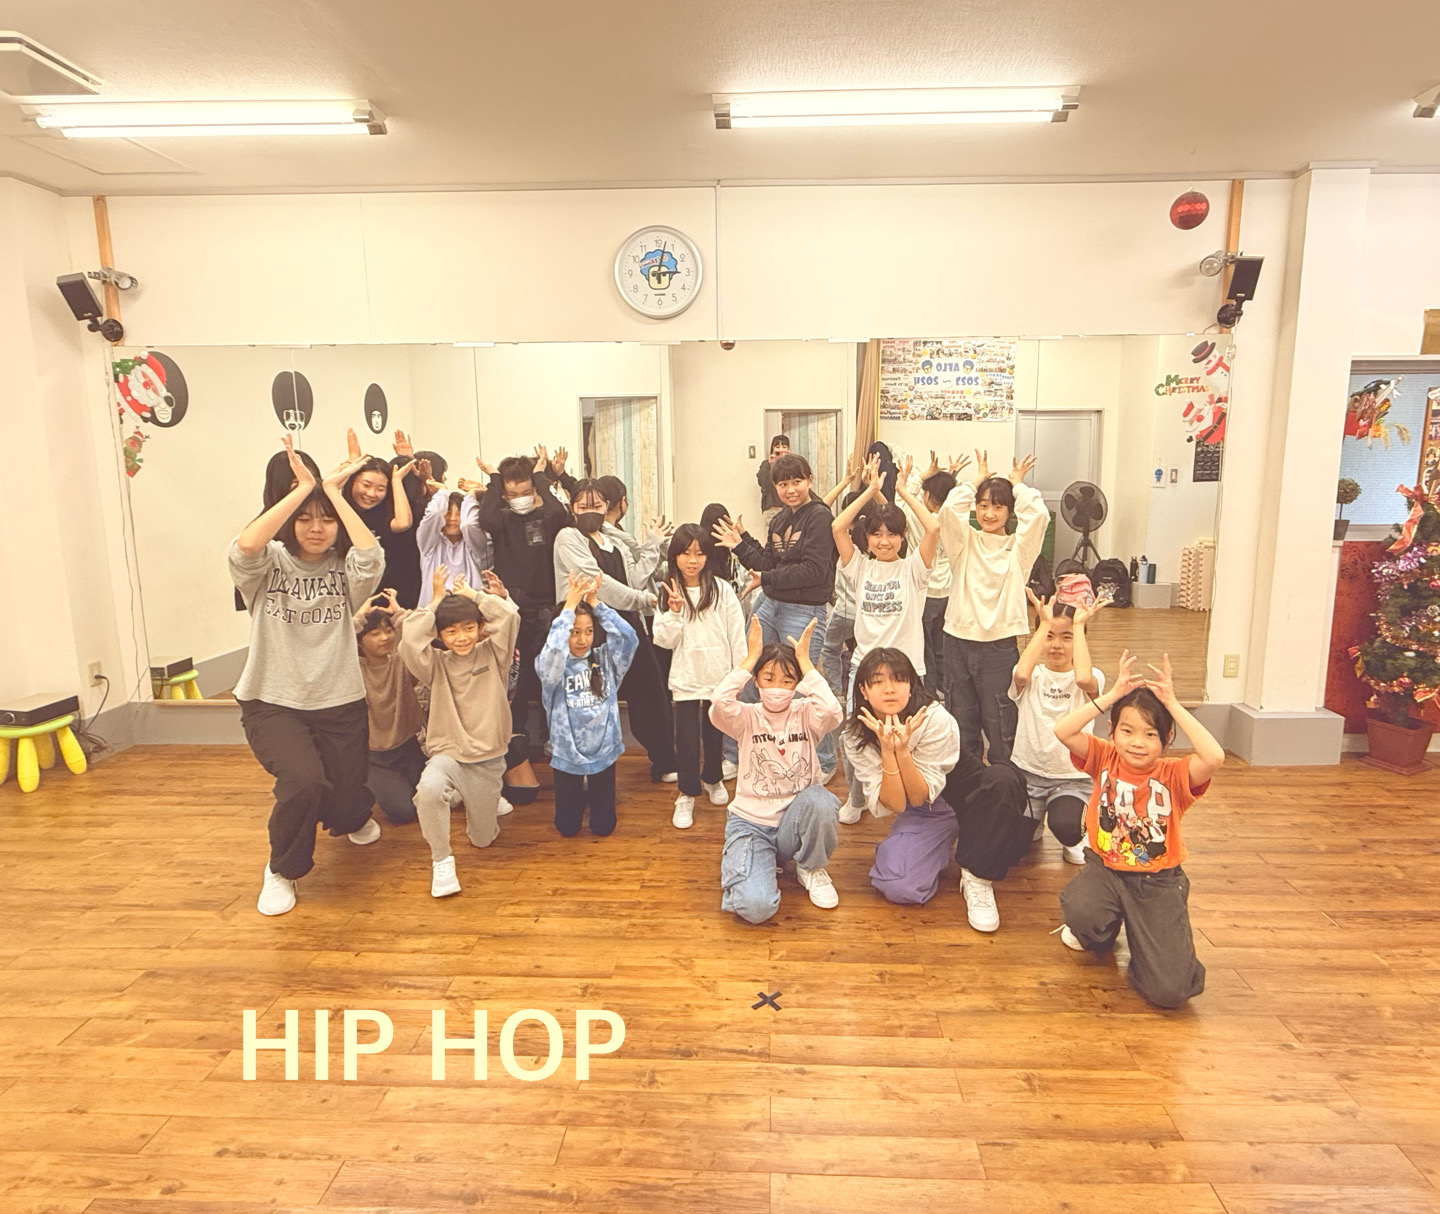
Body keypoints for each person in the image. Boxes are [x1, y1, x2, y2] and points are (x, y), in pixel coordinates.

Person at [229, 438, 384, 917]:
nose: (316, 528)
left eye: (326, 519)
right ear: (289, 519)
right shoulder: (267, 564)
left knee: (347, 801)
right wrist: (305, 489)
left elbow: (371, 554)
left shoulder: (346, 570)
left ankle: (351, 816)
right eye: (305, 519)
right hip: (273, 701)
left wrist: (333, 492)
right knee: (303, 781)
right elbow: (246, 545)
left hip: (339, 700)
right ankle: (282, 869)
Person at [1053, 651, 1224, 1008]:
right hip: (1105, 870)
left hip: (1157, 882)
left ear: (1166, 738)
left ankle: (1147, 949)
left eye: (1150, 734)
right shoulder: (1104, 757)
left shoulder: (1174, 775)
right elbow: (1063, 730)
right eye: (1127, 731)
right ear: (1113, 731)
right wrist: (1111, 697)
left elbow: (1214, 757)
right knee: (1081, 910)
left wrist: (1172, 703)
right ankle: (1102, 934)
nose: (1137, 742)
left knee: (1170, 993)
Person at [713, 451, 839, 777]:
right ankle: (737, 754)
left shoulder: (819, 516)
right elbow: (767, 564)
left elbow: (813, 571)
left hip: (804, 608)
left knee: (802, 683)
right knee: (749, 675)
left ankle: (824, 761)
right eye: (783, 484)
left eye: (796, 481)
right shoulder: (781, 519)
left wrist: (767, 578)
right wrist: (740, 545)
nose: (790, 489)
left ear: (809, 480)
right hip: (770, 604)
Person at [709, 617, 844, 923]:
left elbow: (832, 710)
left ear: (797, 685)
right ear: (756, 681)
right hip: (751, 824)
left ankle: (810, 866)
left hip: (793, 824)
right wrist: (750, 659)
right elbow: (719, 701)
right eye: (769, 678)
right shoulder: (746, 717)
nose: (778, 688)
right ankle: (752, 863)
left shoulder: (807, 713)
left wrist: (806, 664)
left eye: (787, 681)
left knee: (820, 800)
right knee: (756, 909)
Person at [830, 453, 940, 823]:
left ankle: (913, 796)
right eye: (876, 534)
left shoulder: (914, 570)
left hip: (907, 671)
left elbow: (933, 530)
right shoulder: (860, 566)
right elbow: (838, 527)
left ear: (902, 537)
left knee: (912, 737)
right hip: (864, 668)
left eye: (892, 534)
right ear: (867, 538)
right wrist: (870, 490)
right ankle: (857, 797)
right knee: (856, 736)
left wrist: (903, 491)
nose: (884, 540)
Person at [399, 563, 521, 898]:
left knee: (482, 839)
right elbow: (410, 641)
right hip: (449, 752)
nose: (461, 637)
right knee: (428, 790)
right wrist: (435, 601)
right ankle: (441, 859)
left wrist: (473, 595)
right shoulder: (435, 665)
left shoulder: (494, 654)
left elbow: (508, 618)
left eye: (469, 628)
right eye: (451, 632)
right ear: (440, 636)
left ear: (481, 628)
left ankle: (472, 798)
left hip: (488, 757)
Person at [553, 478, 678, 782]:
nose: (590, 511)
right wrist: (643, 599)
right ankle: (584, 766)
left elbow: (635, 578)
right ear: (573, 508)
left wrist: (653, 543)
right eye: (583, 506)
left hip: (627, 627)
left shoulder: (615, 541)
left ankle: (664, 761)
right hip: (588, 628)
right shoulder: (567, 538)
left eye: (596, 505)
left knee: (650, 691)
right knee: (590, 698)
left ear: (606, 506)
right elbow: (598, 583)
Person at [938, 450, 1048, 762]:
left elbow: (1039, 516)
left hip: (998, 647)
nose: (989, 513)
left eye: (998, 506)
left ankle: (1005, 783)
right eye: (983, 506)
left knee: (1002, 726)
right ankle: (968, 785)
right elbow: (949, 510)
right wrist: (976, 480)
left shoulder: (1019, 548)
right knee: (961, 723)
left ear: (1010, 511)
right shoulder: (964, 542)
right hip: (957, 642)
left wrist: (1017, 484)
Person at [476, 446, 573, 757]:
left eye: (525, 491)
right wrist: (494, 479)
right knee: (513, 674)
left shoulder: (546, 517)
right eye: (512, 493)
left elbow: (560, 513)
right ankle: (517, 732)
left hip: (545, 606)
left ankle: (550, 733)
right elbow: (486, 517)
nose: (519, 498)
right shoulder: (502, 521)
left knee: (550, 672)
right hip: (510, 606)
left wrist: (540, 476)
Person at [844, 648, 961, 905]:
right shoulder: (855, 735)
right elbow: (898, 804)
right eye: (878, 682)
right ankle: (917, 849)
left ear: (911, 685)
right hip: (924, 812)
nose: (889, 689)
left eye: (899, 679)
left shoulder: (934, 718)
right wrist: (888, 750)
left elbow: (919, 795)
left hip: (958, 799)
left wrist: (903, 750)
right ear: (863, 690)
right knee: (900, 886)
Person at [652, 523, 746, 828]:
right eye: (685, 553)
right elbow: (664, 641)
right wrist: (674, 612)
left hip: (719, 676)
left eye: (699, 553)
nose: (692, 560)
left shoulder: (722, 589)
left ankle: (713, 779)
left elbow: (737, 636)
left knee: (715, 734)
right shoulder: (668, 591)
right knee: (687, 739)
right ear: (674, 556)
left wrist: (738, 677)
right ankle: (687, 793)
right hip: (686, 676)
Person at [1010, 586, 1109, 865]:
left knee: (1066, 828)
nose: (1056, 645)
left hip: (1072, 778)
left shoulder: (1093, 677)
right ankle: (1035, 821)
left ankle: (1077, 834)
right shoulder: (1032, 675)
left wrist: (1078, 624)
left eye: (1067, 638)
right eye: (1050, 637)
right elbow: (1021, 673)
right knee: (1015, 846)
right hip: (1029, 775)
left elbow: (1083, 679)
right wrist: (1043, 623)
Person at [536, 572, 639, 837]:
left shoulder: (605, 660)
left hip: (603, 752)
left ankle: (592, 798)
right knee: (567, 828)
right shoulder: (552, 666)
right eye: (574, 633)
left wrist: (596, 604)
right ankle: (578, 798)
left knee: (604, 827)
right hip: (567, 755)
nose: (582, 640)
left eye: (588, 631)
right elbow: (553, 652)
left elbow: (628, 637)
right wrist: (569, 606)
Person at [354, 588, 426, 827]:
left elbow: (422, 634)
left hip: (408, 747)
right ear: (360, 640)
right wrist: (357, 619)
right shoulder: (353, 670)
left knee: (437, 797)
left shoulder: (402, 660)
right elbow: (333, 647)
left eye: (388, 630)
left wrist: (400, 614)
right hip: (374, 757)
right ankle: (365, 785)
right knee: (404, 812)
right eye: (375, 633)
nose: (385, 637)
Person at [905, 451, 970, 700]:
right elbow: (958, 497)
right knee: (942, 645)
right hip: (948, 590)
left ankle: (929, 692)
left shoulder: (919, 518)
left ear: (927, 496)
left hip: (924, 591)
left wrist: (924, 475)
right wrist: (952, 476)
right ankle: (947, 690)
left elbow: (903, 495)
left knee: (925, 647)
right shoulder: (956, 519)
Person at [343, 429, 426, 608]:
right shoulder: (339, 510)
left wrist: (396, 480)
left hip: (385, 598)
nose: (371, 493)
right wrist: (351, 463)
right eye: (366, 485)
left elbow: (403, 523)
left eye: (381, 489)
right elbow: (329, 487)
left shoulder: (383, 515)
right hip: (346, 599)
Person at [234, 446, 323, 612]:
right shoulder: (263, 532)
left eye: (312, 480)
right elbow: (248, 547)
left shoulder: (324, 526)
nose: (309, 489)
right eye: (298, 484)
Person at [417, 488, 492, 596]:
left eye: (459, 514)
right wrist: (443, 490)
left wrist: (471, 494)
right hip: (435, 605)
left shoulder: (474, 544)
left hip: (469, 604)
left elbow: (469, 524)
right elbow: (434, 513)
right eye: (448, 513)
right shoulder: (429, 543)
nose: (452, 519)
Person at [756, 434, 790, 529]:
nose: (781, 450)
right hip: (771, 509)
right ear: (773, 449)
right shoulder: (766, 464)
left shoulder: (792, 465)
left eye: (784, 447)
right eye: (777, 447)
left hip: (789, 508)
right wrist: (771, 465)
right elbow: (764, 484)